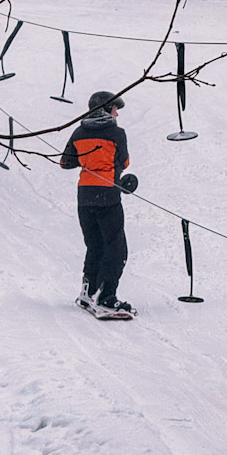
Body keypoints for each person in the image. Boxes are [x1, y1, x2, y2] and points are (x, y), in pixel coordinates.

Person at [60, 90, 135, 318]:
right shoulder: (116, 133)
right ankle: (107, 298)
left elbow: (65, 162)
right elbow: (125, 161)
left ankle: (88, 291)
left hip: (84, 197)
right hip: (108, 196)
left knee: (95, 245)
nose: (116, 115)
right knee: (116, 247)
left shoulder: (79, 131)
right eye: (115, 110)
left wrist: (87, 159)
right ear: (106, 110)